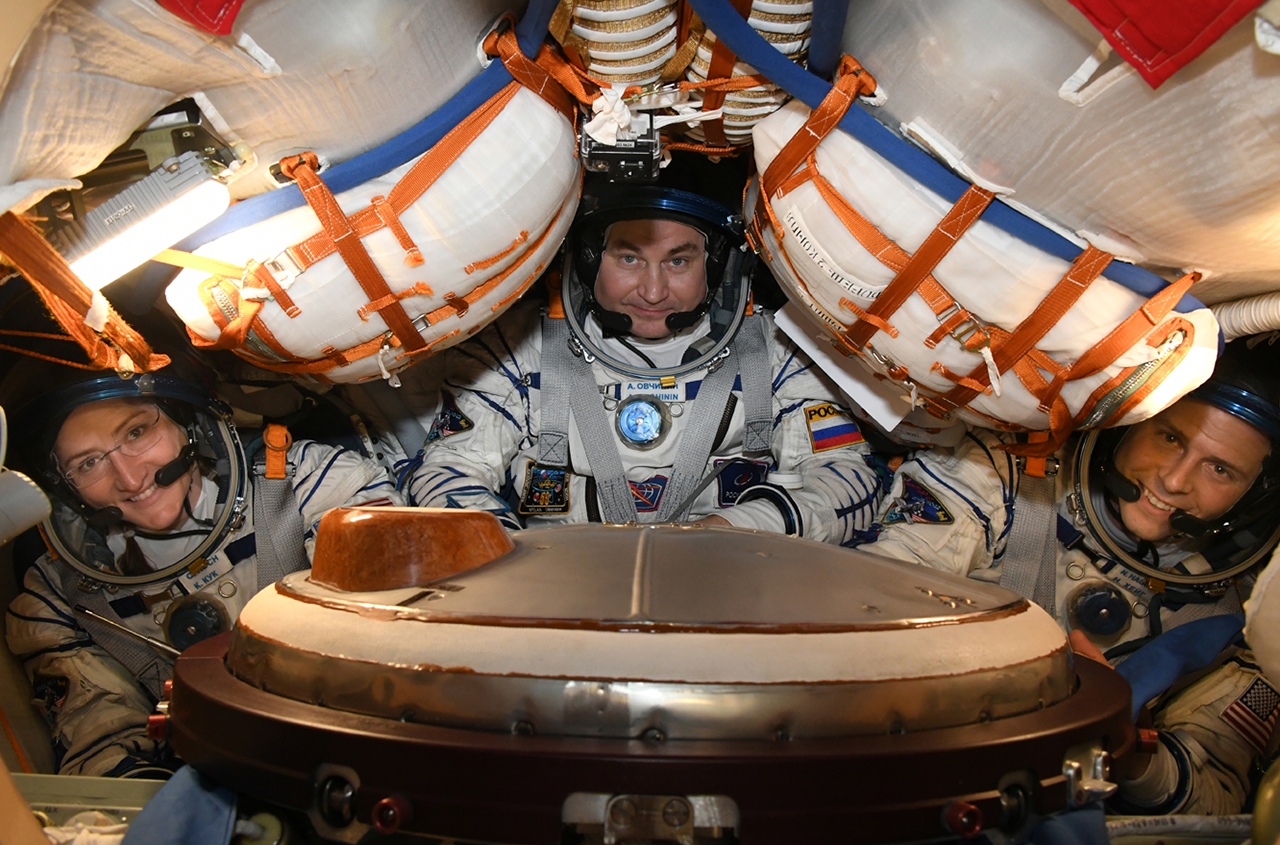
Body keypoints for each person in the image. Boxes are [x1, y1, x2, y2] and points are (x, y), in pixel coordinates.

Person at [868, 337, 1280, 816]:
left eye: (1219, 469)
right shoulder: (1008, 470)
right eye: (1169, 438)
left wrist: (1131, 746)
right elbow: (880, 601)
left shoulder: (1250, 621)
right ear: (1132, 422)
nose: (1174, 481)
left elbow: (1215, 799)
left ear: (1255, 496)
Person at [402, 177, 885, 543]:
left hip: (730, 574)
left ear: (715, 266)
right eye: (629, 258)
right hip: (559, 581)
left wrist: (736, 530)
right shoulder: (517, 348)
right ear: (589, 260)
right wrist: (512, 559)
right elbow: (447, 472)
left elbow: (849, 478)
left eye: (678, 261)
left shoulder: (772, 354)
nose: (653, 292)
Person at [4, 356, 403, 778]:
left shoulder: (307, 481)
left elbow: (381, 630)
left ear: (186, 421)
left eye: (136, 432)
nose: (130, 479)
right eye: (88, 463)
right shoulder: (61, 597)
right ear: (66, 488)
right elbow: (101, 739)